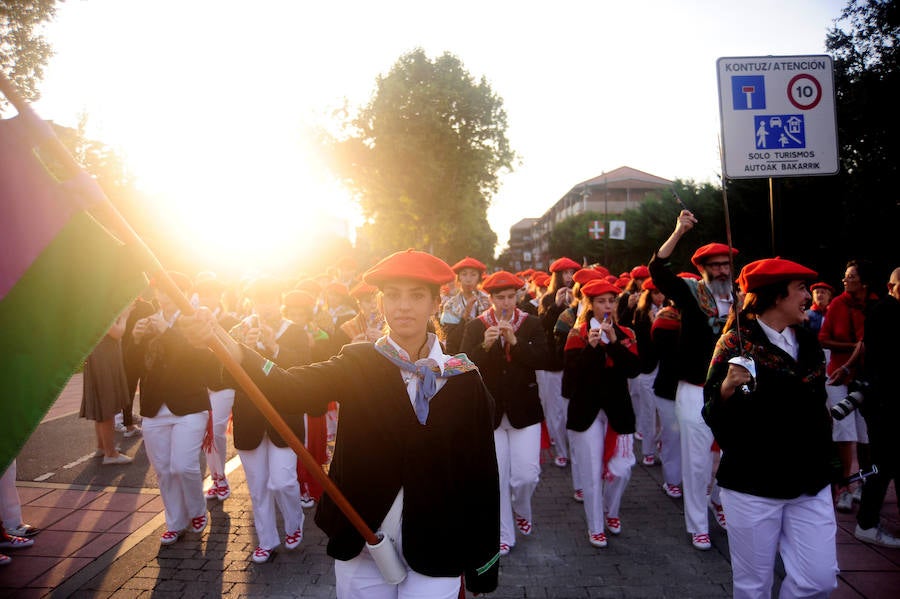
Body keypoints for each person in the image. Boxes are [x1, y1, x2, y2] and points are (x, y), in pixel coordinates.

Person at [183, 249, 500, 597]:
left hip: (438, 544)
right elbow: (290, 387)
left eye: (417, 296)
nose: (404, 306)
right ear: (380, 303)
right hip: (363, 537)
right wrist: (224, 342)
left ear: (435, 304)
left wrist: (483, 564)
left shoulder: (464, 379)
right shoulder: (358, 362)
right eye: (393, 295)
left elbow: (481, 476)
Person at [703, 258, 838, 598]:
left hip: (810, 480)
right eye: (801, 289)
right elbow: (712, 411)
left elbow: (817, 406)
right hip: (752, 482)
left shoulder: (808, 342)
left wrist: (829, 462)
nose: (808, 296)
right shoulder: (735, 344)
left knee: (819, 579)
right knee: (753, 586)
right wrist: (728, 388)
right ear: (776, 296)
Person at [648, 209, 733, 550]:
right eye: (713, 265)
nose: (721, 270)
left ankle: (719, 499)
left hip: (735, 391)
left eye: (725, 264)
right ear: (702, 269)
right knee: (697, 462)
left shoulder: (744, 298)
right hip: (695, 389)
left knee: (734, 457)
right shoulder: (689, 292)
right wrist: (679, 231)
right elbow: (657, 270)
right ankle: (698, 523)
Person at [461, 270, 548, 557]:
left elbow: (544, 359)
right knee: (496, 477)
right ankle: (503, 532)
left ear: (518, 296)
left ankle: (522, 508)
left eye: (511, 296)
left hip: (524, 410)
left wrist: (515, 342)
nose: (506, 303)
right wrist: (485, 344)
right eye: (500, 297)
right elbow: (463, 365)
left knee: (527, 476)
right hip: (490, 412)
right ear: (490, 298)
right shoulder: (476, 325)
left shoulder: (532, 323)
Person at [129, 272, 220, 545]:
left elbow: (199, 363)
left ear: (182, 293)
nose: (163, 298)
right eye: (159, 293)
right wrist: (133, 340)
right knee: (164, 470)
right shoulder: (146, 323)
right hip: (154, 407)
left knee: (183, 466)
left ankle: (196, 510)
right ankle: (175, 521)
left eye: (169, 292)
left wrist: (166, 332)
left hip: (189, 404)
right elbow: (133, 369)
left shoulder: (194, 320)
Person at [228, 277, 310, 563]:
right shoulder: (239, 331)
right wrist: (241, 352)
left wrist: (274, 347)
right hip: (250, 418)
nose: (265, 306)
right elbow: (224, 378)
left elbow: (301, 370)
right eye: (259, 300)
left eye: (270, 299)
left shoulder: (295, 331)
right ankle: (266, 540)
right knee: (259, 485)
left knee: (283, 481)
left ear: (279, 300)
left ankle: (294, 520)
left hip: (283, 416)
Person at [562, 280, 640, 548]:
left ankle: (611, 510)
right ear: (590, 305)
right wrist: (591, 348)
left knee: (623, 469)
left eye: (610, 301)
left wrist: (614, 344)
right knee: (591, 471)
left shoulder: (626, 332)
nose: (606, 306)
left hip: (618, 408)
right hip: (586, 409)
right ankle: (595, 526)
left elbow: (633, 369)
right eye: (600, 302)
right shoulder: (577, 334)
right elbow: (572, 376)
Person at [818, 259, 877, 512]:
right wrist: (852, 350)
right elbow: (824, 338)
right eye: (845, 275)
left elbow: (870, 342)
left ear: (863, 282)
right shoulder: (837, 304)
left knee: (865, 433)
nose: (845, 280)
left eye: (850, 276)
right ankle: (843, 486)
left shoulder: (875, 306)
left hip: (864, 378)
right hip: (837, 376)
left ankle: (862, 483)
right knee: (843, 430)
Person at [852, 267, 900, 548]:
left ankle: (868, 521)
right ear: (891, 286)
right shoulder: (886, 311)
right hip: (884, 401)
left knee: (889, 464)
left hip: (886, 399)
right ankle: (866, 523)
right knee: (883, 464)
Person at [194, 273, 239, 501]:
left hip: (225, 383)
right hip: (202, 383)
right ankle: (217, 478)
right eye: (202, 294)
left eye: (211, 294)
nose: (206, 298)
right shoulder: (191, 321)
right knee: (205, 431)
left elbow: (236, 352)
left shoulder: (230, 320)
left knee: (216, 429)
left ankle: (220, 478)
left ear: (219, 296)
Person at [81, 307, 135, 464]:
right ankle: (110, 454)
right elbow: (117, 332)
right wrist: (124, 316)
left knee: (100, 404)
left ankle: (102, 447)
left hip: (97, 355)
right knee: (107, 405)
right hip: (104, 358)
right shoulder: (101, 307)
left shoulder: (91, 306)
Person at [631, 278, 666, 467]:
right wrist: (654, 324)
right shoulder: (642, 313)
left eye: (661, 292)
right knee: (648, 411)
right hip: (648, 368)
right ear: (649, 294)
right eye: (655, 293)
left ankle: (660, 444)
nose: (660, 296)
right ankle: (648, 451)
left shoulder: (670, 310)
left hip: (666, 368)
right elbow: (643, 344)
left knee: (666, 413)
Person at [439, 256, 490, 354]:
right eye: (464, 274)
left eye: (473, 275)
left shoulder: (488, 301)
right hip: (459, 355)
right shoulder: (450, 305)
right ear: (458, 278)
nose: (468, 279)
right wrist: (466, 313)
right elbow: (451, 340)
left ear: (479, 278)